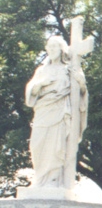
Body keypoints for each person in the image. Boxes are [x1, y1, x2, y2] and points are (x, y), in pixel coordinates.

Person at [24, 34, 88, 191]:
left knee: (56, 145)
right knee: (36, 145)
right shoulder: (41, 70)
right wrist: (41, 84)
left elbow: (81, 93)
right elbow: (31, 92)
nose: (51, 49)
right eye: (49, 46)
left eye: (54, 46)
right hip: (43, 111)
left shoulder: (69, 70)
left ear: (61, 49)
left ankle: (53, 179)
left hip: (60, 112)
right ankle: (40, 179)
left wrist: (81, 82)